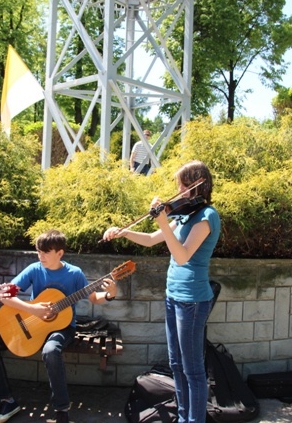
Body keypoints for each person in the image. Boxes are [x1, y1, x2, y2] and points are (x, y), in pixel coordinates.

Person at [103, 160, 221, 423]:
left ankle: (195, 420)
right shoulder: (185, 214)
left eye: (181, 184)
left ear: (195, 185)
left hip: (192, 300)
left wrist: (165, 223)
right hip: (173, 296)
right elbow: (151, 239)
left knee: (193, 370)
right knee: (177, 365)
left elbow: (182, 256)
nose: (176, 189)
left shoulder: (206, 216)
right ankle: (182, 417)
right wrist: (124, 233)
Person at [0, 229, 118, 423]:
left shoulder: (74, 274)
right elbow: (5, 296)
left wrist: (111, 294)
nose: (41, 256)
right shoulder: (34, 269)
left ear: (60, 253)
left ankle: (61, 411)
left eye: (46, 252)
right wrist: (33, 309)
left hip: (63, 328)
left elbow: (94, 298)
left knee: (51, 350)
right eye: (39, 251)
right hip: (30, 323)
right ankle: (6, 400)